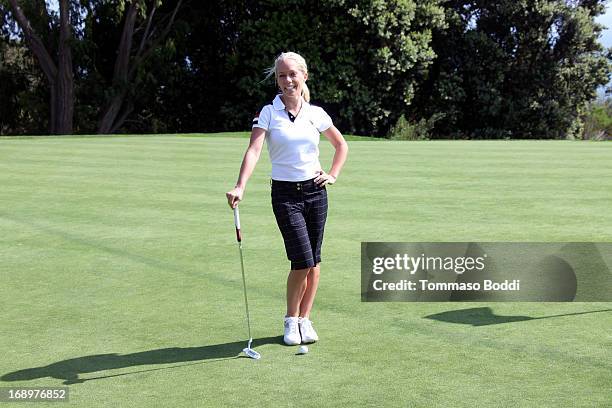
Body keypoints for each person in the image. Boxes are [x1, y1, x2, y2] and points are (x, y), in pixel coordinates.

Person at [226, 52, 348, 346]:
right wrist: (240, 186)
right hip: (285, 195)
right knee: (302, 260)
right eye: (282, 75)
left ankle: (305, 319)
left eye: (293, 74)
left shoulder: (316, 114)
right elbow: (254, 150)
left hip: (316, 193)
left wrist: (332, 174)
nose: (287, 80)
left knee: (314, 260)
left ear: (304, 75)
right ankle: (291, 320)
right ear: (277, 80)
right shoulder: (268, 112)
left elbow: (341, 144)